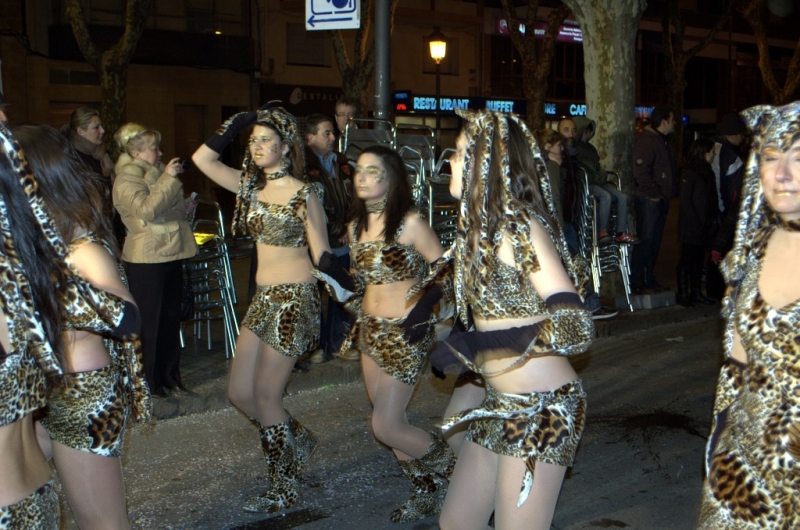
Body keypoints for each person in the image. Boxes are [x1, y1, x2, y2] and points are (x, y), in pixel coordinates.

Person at [434, 110, 593, 530]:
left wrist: (480, 346)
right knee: (456, 522)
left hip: (544, 407)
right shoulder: (475, 232)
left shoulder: (519, 228)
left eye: (463, 152)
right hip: (500, 404)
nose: (450, 159)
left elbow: (577, 327)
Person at [192, 105, 328, 513]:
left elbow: (322, 254)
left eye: (266, 140)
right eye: (252, 141)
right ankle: (295, 439)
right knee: (238, 393)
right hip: (263, 299)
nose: (257, 146)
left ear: (286, 148)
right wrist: (236, 123)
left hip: (294, 298)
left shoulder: (306, 194)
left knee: (267, 396)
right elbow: (202, 159)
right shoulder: (249, 187)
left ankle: (284, 486)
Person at [13, 123, 149, 529]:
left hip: (84, 396)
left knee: (102, 524)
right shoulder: (35, 240)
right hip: (42, 395)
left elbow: (128, 318)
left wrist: (52, 283)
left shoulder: (81, 247)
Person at [314, 145, 455, 522]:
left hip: (406, 329)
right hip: (369, 330)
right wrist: (334, 272)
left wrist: (423, 312)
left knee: (386, 425)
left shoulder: (409, 222)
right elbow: (362, 284)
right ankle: (427, 491)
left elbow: (445, 269)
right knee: (389, 424)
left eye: (372, 171)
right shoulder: (355, 226)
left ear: (391, 179)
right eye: (358, 170)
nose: (361, 176)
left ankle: (460, 477)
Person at [697, 101, 800, 528]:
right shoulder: (749, 256)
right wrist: (719, 451)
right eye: (771, 157)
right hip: (743, 476)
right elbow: (736, 367)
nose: (782, 174)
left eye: (799, 158)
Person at [113, 123, 198, 398]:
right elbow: (147, 210)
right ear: (136, 153)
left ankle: (171, 378)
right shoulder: (126, 180)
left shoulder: (157, 176)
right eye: (154, 148)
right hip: (146, 259)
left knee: (170, 322)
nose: (160, 153)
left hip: (172, 253)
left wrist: (184, 208)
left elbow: (164, 211)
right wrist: (169, 179)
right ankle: (149, 384)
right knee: (149, 324)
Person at [304, 113, 354, 363]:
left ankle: (337, 343)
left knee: (340, 292)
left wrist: (350, 225)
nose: (333, 137)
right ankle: (315, 346)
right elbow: (316, 207)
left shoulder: (342, 162)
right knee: (314, 296)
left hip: (342, 240)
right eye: (327, 133)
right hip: (316, 241)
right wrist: (339, 229)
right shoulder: (303, 166)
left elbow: (355, 195)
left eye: (333, 133)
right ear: (310, 137)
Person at [60, 107, 124, 246]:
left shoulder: (100, 155)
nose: (102, 130)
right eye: (96, 127)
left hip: (109, 223)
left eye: (101, 126)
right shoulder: (73, 159)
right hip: (92, 228)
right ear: (80, 131)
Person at [631, 105, 677, 294]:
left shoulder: (659, 141)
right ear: (664, 122)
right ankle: (639, 281)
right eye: (672, 119)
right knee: (647, 241)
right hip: (650, 200)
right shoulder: (649, 142)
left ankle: (647, 278)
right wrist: (655, 194)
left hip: (657, 198)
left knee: (653, 241)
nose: (675, 123)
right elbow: (640, 171)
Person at [573, 116, 637, 244]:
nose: (588, 134)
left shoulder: (591, 149)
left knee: (622, 197)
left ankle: (621, 232)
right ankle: (602, 231)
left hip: (597, 181)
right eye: (586, 131)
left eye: (589, 131)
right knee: (605, 196)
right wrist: (599, 176)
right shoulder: (575, 149)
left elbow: (596, 167)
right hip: (587, 183)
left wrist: (600, 176)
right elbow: (582, 171)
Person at [707, 113, 747, 299]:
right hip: (726, 211)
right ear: (732, 135)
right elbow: (733, 190)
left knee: (715, 253)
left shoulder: (714, 148)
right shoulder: (732, 156)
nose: (742, 138)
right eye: (740, 134)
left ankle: (714, 290)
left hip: (712, 209)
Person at [676, 138, 717, 306]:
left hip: (703, 224)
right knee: (687, 260)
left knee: (699, 260)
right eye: (712, 151)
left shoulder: (708, 172)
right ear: (704, 153)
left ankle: (696, 292)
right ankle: (683, 293)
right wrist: (696, 224)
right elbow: (686, 201)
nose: (714, 154)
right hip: (691, 226)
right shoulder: (690, 173)